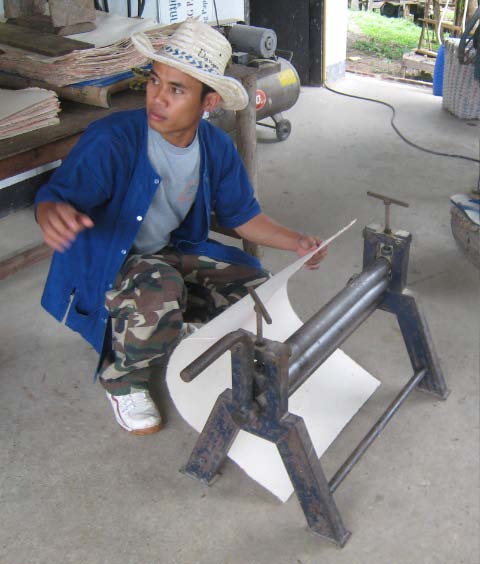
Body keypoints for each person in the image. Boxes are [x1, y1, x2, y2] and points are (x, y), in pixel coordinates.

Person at [35, 20, 326, 436]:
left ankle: (172, 329)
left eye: (177, 89)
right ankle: (123, 379)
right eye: (155, 81)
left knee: (255, 288)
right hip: (111, 263)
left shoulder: (216, 147)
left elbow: (243, 217)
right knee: (161, 287)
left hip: (170, 255)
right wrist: (51, 212)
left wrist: (296, 241)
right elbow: (55, 197)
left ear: (209, 101)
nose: (158, 97)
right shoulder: (112, 139)